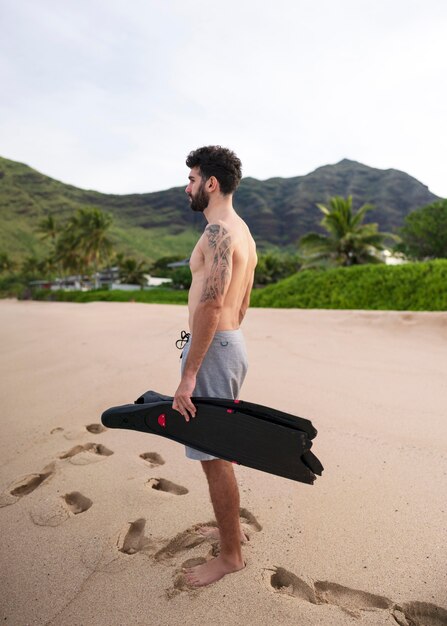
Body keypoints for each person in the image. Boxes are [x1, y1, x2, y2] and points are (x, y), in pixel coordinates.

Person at [173, 145, 257, 587]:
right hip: (229, 344)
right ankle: (232, 530)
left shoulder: (218, 233)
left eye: (191, 178)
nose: (186, 187)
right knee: (218, 446)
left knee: (213, 456)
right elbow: (241, 305)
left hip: (214, 349)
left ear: (211, 183)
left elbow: (212, 305)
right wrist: (220, 343)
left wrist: (190, 373)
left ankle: (230, 556)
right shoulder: (242, 230)